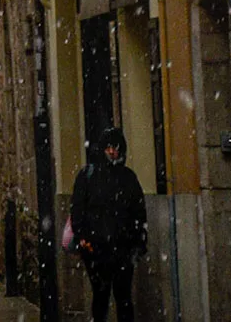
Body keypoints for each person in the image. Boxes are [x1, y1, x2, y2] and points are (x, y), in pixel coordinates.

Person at [69, 126, 147, 322]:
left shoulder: (128, 177)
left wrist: (138, 241)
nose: (113, 152)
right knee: (102, 297)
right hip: (97, 248)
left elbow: (138, 211)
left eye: (116, 148)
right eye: (109, 148)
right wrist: (83, 238)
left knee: (123, 298)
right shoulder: (88, 176)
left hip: (121, 247)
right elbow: (78, 210)